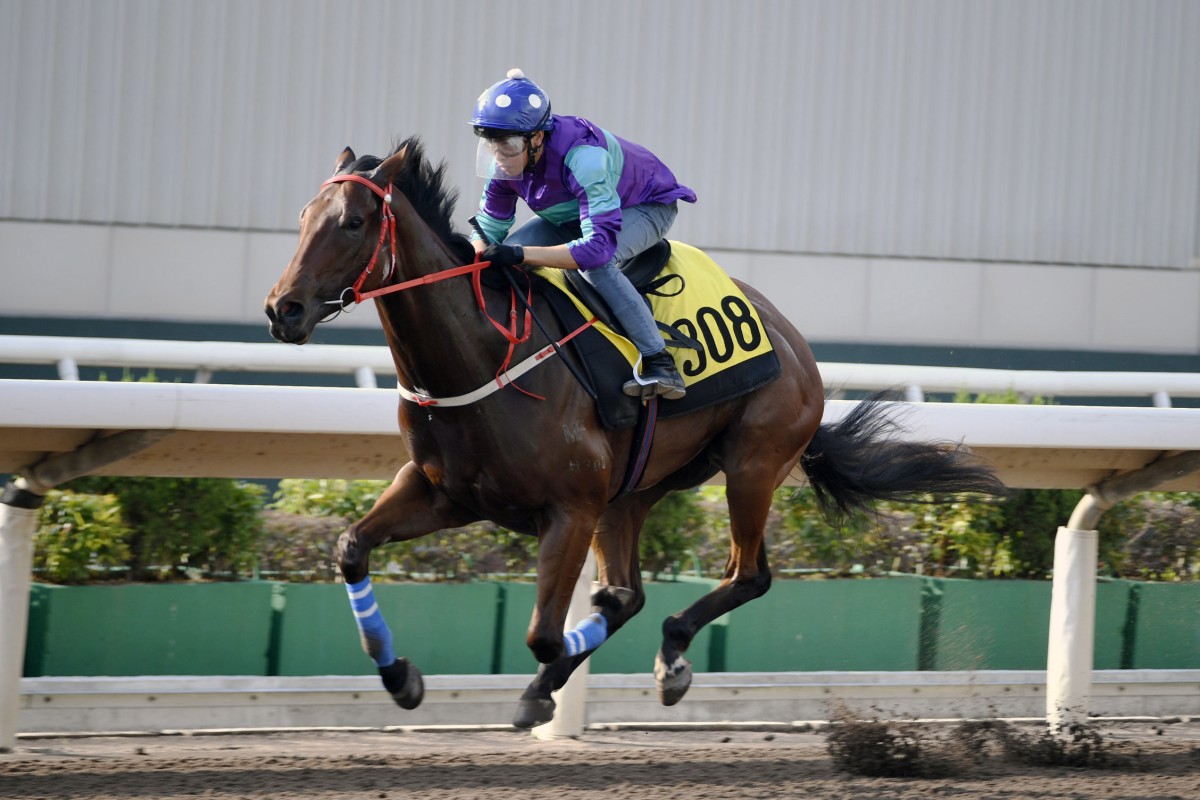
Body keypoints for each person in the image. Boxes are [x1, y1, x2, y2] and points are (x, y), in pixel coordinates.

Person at [469, 68, 696, 400]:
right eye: (491, 144)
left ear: (537, 138)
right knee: (500, 265)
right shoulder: (505, 161)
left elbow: (597, 250)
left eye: (507, 144)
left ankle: (660, 362)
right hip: (575, 212)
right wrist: (475, 255)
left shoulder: (584, 157)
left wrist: (521, 254)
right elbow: (488, 231)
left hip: (645, 206)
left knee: (597, 270)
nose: (499, 156)